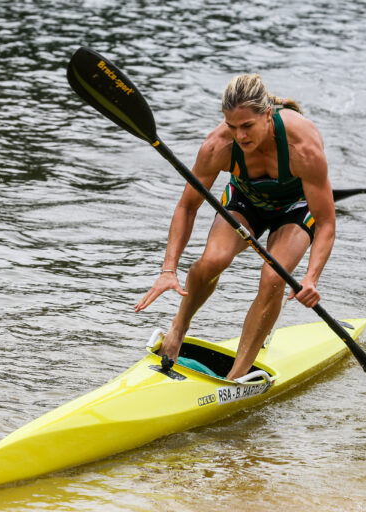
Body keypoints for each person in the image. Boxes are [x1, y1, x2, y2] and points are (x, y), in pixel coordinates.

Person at [134, 74, 336, 381]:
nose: (239, 136)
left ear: (267, 115)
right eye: (232, 126)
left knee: (273, 277)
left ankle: (235, 377)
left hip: (296, 209)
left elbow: (326, 223)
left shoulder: (302, 148)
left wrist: (311, 278)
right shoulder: (218, 146)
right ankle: (178, 328)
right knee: (213, 261)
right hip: (246, 201)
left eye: (247, 126)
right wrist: (168, 269)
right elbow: (187, 207)